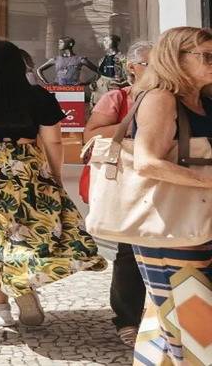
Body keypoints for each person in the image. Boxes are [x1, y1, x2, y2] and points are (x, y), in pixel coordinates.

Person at [0, 40, 106, 327]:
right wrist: (54, 175)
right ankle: (23, 283)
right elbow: (53, 140)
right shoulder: (39, 96)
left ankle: (1, 305)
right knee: (29, 232)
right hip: (26, 166)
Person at [127, 27, 212, 364]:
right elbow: (147, 163)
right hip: (172, 228)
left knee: (173, 321)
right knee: (190, 323)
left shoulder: (203, 100)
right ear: (175, 59)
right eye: (205, 56)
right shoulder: (161, 98)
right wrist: (206, 182)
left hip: (198, 223)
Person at [84, 41, 153, 346]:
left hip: (161, 183)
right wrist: (135, 131)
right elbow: (92, 134)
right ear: (132, 68)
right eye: (150, 64)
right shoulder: (117, 98)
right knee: (129, 252)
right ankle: (127, 318)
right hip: (127, 182)